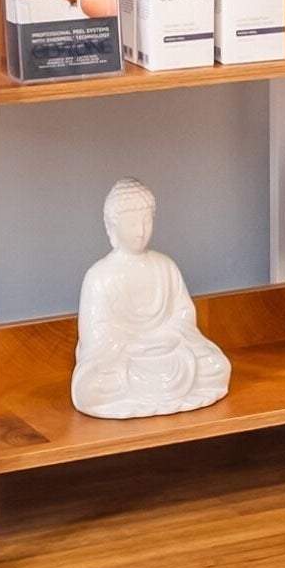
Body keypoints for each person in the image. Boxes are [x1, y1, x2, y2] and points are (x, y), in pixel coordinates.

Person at [69, 179, 230, 419]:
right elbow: (95, 335)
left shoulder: (165, 266)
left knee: (217, 367)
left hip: (168, 352)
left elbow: (183, 315)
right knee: (90, 388)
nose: (141, 230)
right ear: (112, 226)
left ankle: (155, 391)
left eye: (147, 220)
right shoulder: (99, 276)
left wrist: (167, 336)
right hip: (124, 359)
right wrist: (133, 344)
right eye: (132, 223)